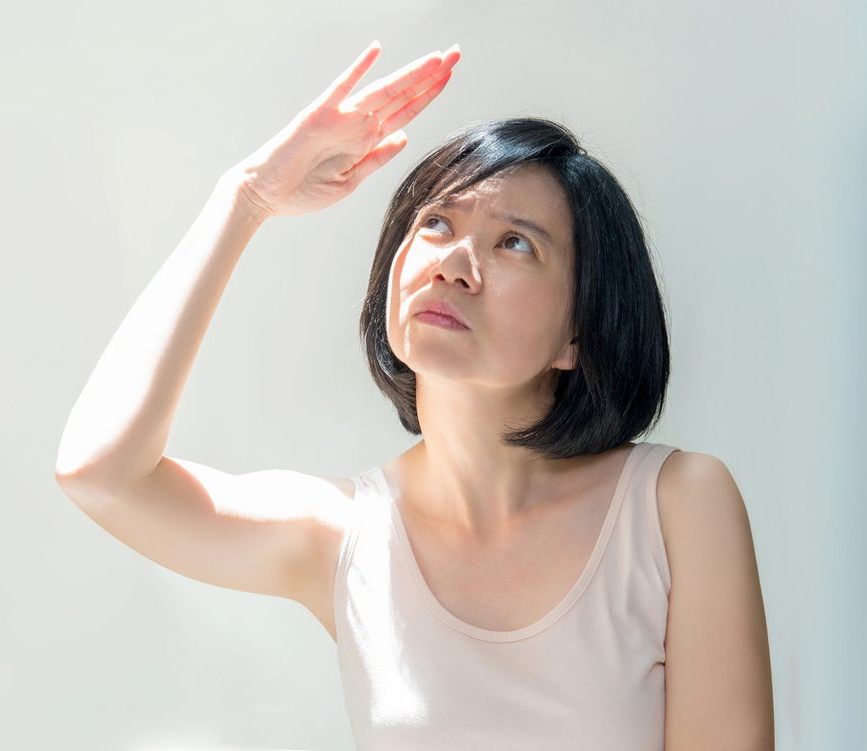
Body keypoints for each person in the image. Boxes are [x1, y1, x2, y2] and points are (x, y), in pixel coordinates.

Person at [55, 40, 774, 750]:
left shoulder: (676, 505)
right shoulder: (343, 536)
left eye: (515, 243)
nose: (455, 264)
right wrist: (246, 197)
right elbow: (101, 474)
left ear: (577, 334)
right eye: (437, 222)